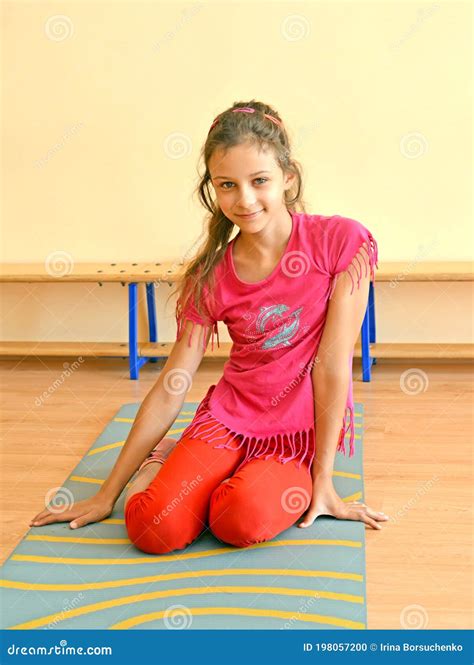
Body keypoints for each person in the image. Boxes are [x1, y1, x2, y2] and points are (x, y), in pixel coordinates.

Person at [30, 100, 389, 552]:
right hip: (228, 419)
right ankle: (164, 460)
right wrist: (107, 494)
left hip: (293, 435)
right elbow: (172, 384)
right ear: (213, 189)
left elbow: (331, 365)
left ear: (288, 179)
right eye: (227, 185)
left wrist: (323, 481)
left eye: (260, 181)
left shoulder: (340, 242)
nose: (245, 199)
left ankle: (234, 478)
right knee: (152, 529)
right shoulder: (211, 274)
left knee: (237, 519)